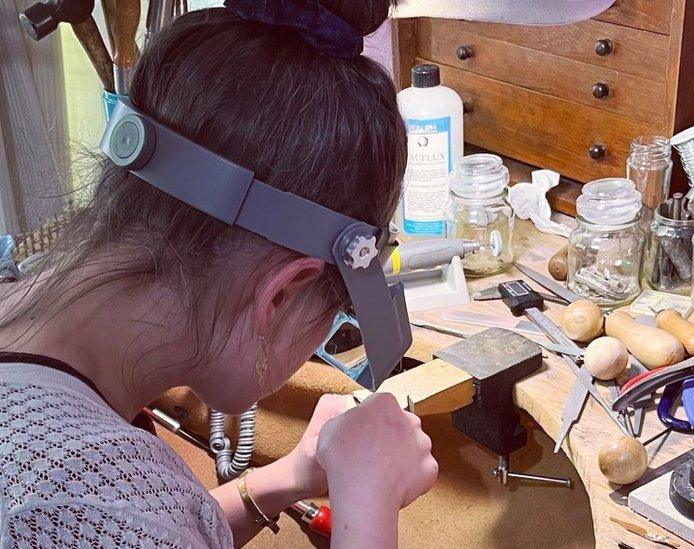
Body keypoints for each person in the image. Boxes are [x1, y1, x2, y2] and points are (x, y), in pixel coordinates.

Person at [0, 1, 437, 547]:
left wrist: (284, 479)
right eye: (338, 307)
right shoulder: (76, 493)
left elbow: (151, 525)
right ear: (281, 294)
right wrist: (368, 502)